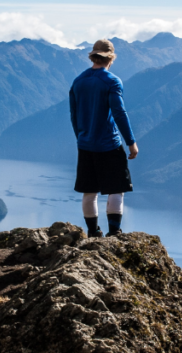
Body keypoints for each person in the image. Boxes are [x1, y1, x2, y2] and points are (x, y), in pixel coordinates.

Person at [69, 38, 139, 238]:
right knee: (117, 188)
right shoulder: (111, 81)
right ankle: (114, 233)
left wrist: (82, 138)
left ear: (93, 56)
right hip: (109, 144)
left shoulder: (78, 81)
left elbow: (74, 115)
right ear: (111, 58)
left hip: (85, 144)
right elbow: (119, 113)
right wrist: (131, 142)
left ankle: (93, 233)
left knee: (89, 191)